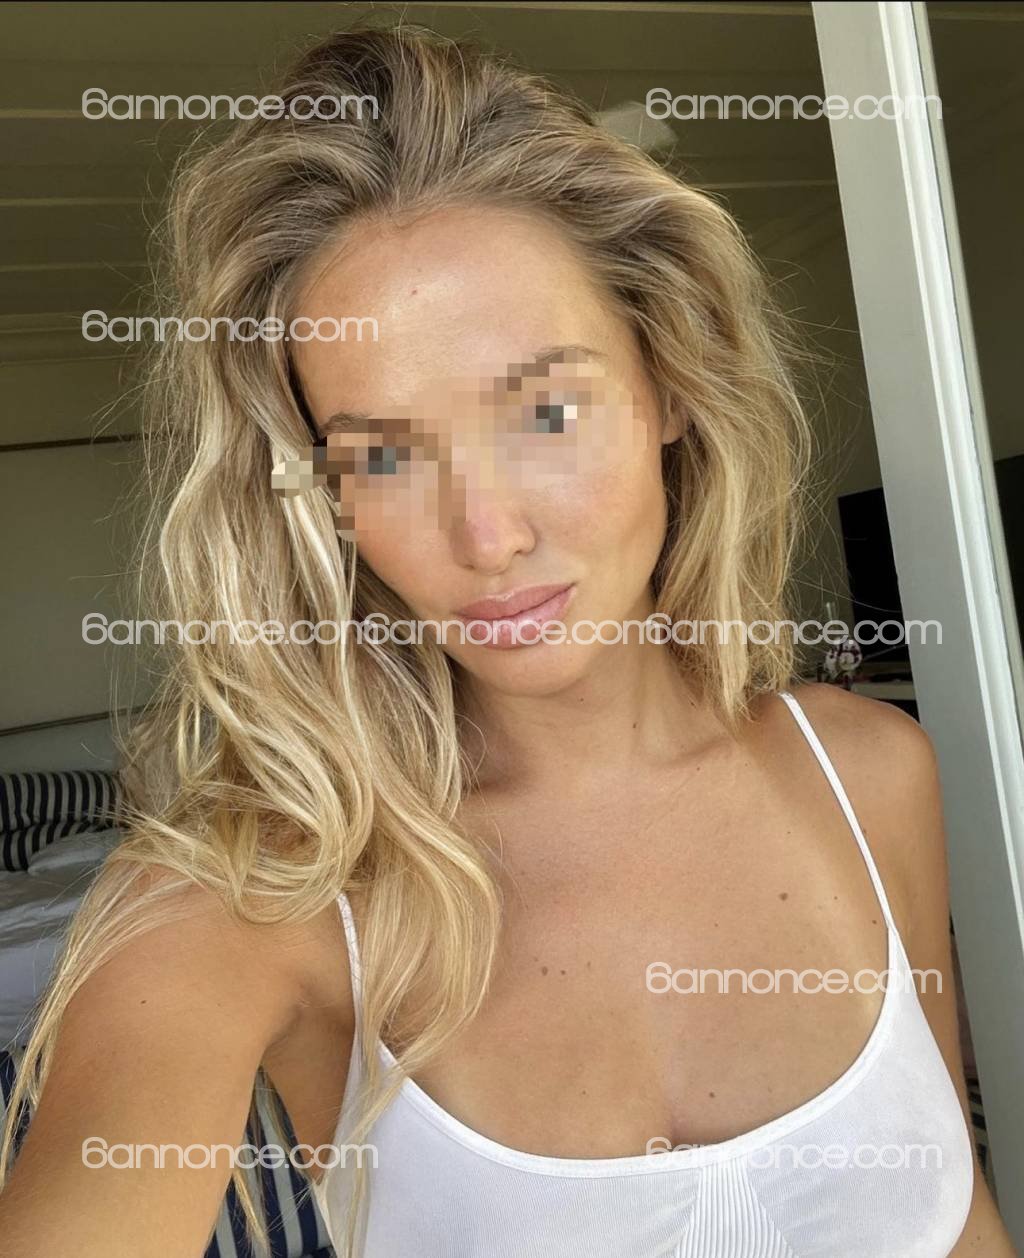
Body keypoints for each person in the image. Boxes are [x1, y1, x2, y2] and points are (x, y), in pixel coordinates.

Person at [0, 24, 1014, 1258]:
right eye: (383, 453)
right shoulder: (249, 902)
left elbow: (956, 1216)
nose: (486, 536)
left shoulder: (872, 773)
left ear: (671, 381)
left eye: (543, 409)